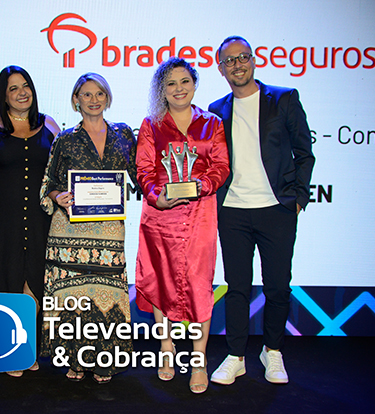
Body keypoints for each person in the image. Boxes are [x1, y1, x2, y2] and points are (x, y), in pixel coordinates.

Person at [208, 36, 315, 385]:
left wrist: (297, 198)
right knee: (237, 287)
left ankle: (273, 350)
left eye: (243, 57)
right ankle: (236, 356)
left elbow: (305, 153)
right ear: (220, 68)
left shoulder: (284, 99)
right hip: (233, 211)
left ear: (253, 60)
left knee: (278, 287)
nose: (237, 65)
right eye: (229, 60)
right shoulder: (215, 109)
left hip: (276, 209)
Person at [135, 57, 229, 393]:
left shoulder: (212, 123)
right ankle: (166, 348)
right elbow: (144, 169)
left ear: (195, 84)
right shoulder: (151, 124)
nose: (178, 89)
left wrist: (202, 186)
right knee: (161, 282)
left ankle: (199, 360)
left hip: (200, 214)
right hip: (160, 215)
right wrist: (156, 195)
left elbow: (221, 166)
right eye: (171, 83)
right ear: (162, 90)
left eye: (184, 81)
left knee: (200, 285)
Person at [40, 73, 137, 384]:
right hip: (69, 231)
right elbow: (49, 183)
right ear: (76, 100)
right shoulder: (65, 139)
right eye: (87, 94)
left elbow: (140, 174)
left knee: (108, 294)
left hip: (109, 229)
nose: (94, 100)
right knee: (75, 296)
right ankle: (76, 359)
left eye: (100, 94)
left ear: (107, 98)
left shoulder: (124, 134)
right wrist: (58, 196)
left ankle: (104, 359)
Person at [0, 66, 60, 377]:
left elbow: (62, 172)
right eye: (13, 88)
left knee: (35, 279)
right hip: (1, 217)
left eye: (26, 86)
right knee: (5, 278)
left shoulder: (49, 125)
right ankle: (6, 348)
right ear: (4, 94)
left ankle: (27, 348)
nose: (22, 93)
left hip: (41, 218)